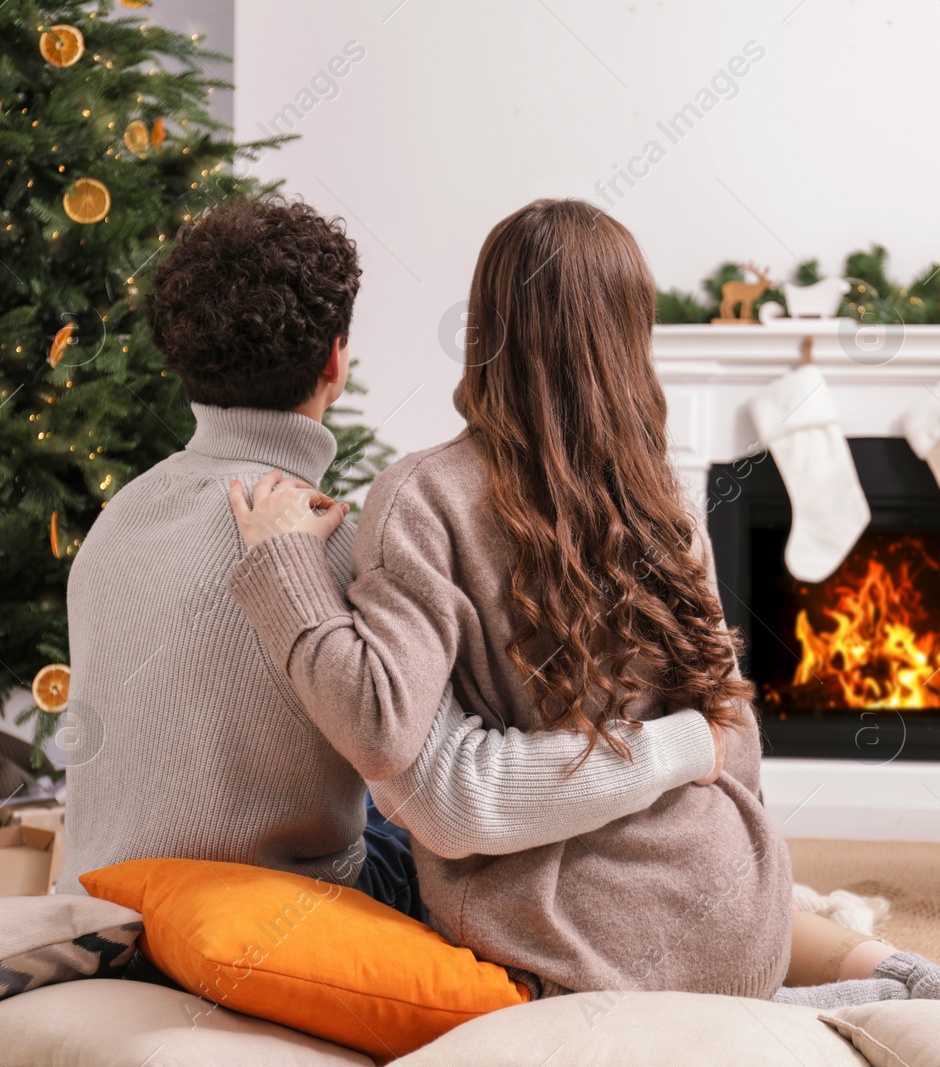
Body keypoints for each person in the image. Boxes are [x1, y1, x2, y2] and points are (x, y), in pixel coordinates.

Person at [226, 198, 940, 1007]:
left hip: (570, 941)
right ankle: (884, 989)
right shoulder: (659, 501)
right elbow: (730, 744)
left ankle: (836, 1003)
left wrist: (283, 564)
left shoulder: (423, 494)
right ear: (631, 339)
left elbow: (379, 726)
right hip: (739, 908)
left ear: (485, 330)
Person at [59, 198, 728, 912]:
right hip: (286, 904)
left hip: (103, 897)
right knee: (440, 830)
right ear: (335, 360)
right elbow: (436, 781)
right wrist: (683, 744)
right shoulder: (337, 549)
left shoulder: (116, 520)